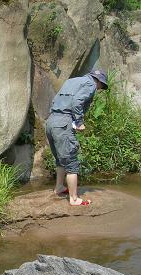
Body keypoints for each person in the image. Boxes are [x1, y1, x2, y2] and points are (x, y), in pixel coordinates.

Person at [46, 69, 108, 206]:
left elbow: (56, 100)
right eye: (101, 87)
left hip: (51, 121)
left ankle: (59, 187)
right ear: (98, 81)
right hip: (63, 123)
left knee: (60, 159)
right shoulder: (90, 84)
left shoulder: (72, 81)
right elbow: (77, 102)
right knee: (72, 162)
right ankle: (74, 199)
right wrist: (79, 122)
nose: (98, 89)